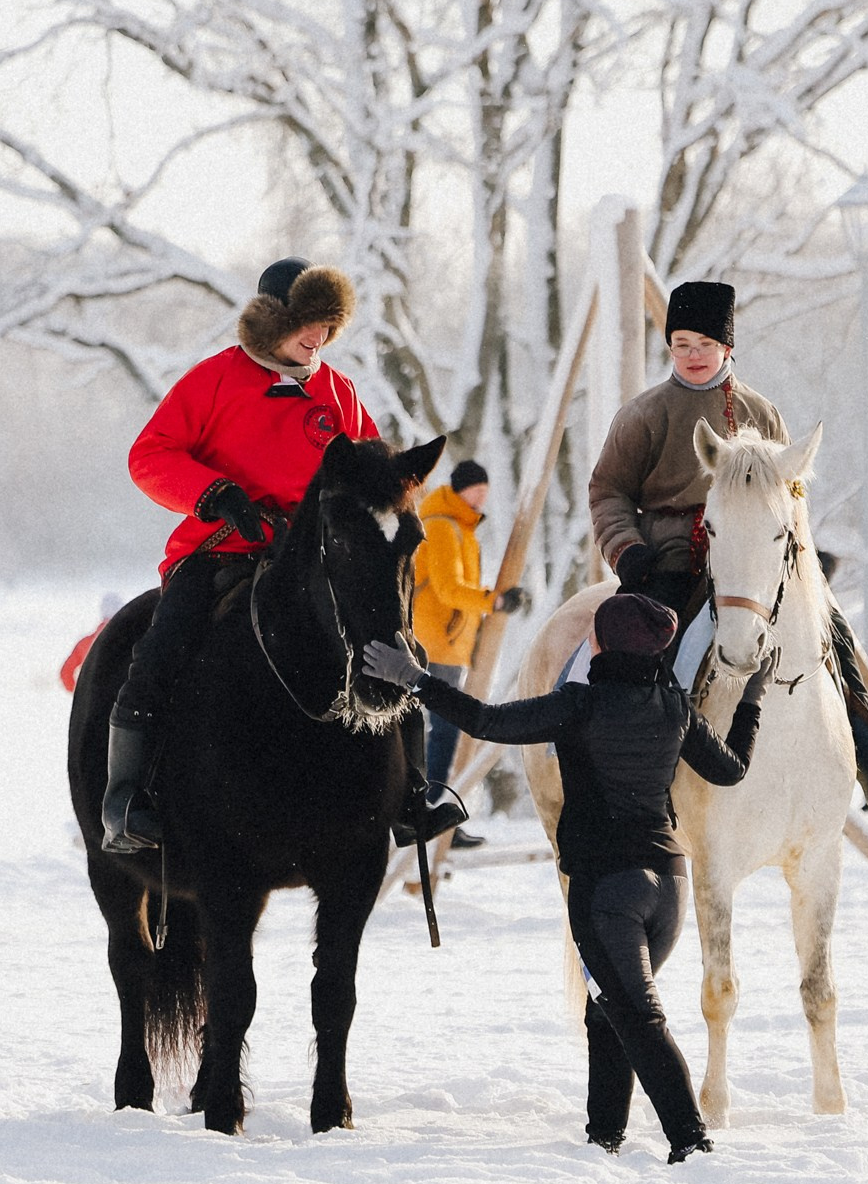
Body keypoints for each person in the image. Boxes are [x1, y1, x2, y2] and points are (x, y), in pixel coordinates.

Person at [363, 595, 769, 1163]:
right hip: (669, 889)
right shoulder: (674, 706)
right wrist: (753, 695)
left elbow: (485, 721)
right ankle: (604, 1137)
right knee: (606, 1009)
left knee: (638, 1017)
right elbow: (732, 769)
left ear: (601, 645)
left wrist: (415, 680)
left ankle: (691, 1142)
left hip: (608, 892)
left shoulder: (580, 704)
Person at [104, 256, 468, 854]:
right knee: (164, 646)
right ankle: (126, 801)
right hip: (222, 551)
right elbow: (148, 456)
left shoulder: (339, 392)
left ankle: (411, 796)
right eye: (307, 324)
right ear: (270, 321)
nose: (318, 338)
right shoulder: (212, 380)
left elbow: (370, 472)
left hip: (316, 561)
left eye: (327, 326)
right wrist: (213, 494)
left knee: (397, 643)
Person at [585, 279, 868, 814]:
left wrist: (801, 554)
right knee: (654, 651)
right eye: (682, 345)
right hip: (671, 559)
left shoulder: (762, 413)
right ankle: (653, 775)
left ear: (727, 347)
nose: (694, 356)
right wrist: (627, 549)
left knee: (830, 629)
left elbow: (789, 493)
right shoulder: (643, 415)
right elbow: (607, 491)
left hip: (753, 562)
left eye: (704, 345)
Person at [408, 460, 527, 851]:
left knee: (440, 730)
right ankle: (431, 813)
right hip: (437, 640)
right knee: (444, 730)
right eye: (477, 490)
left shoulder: (458, 524)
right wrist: (494, 602)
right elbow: (448, 589)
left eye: (485, 491)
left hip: (447, 639)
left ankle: (428, 812)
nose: (483, 497)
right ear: (462, 489)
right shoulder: (443, 525)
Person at [60, 593, 122, 693]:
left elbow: (66, 672)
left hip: (92, 699)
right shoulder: (130, 642)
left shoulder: (85, 643)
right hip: (119, 700)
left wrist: (79, 694)